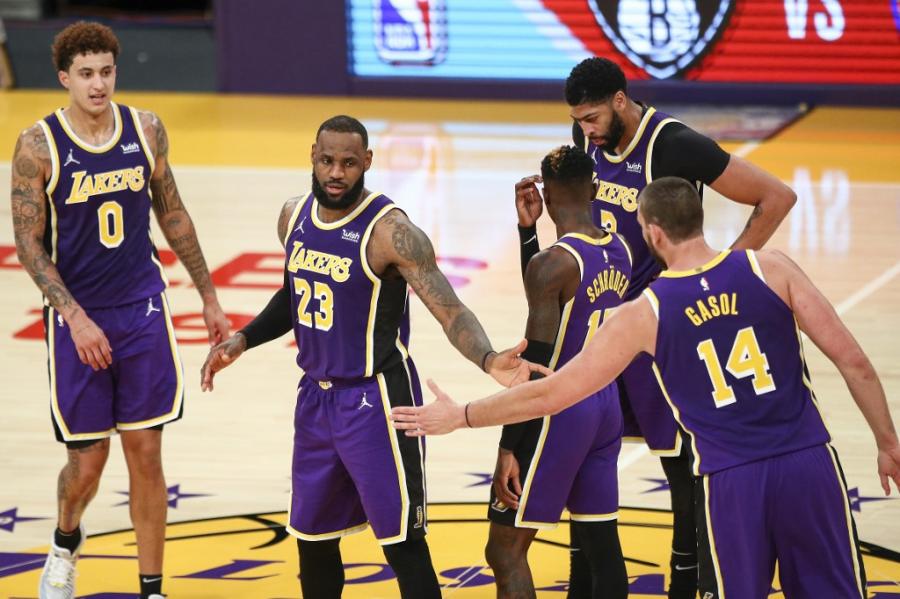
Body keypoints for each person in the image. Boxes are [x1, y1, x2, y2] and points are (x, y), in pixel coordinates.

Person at [393, 177, 900, 599]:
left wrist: (461, 416)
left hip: (731, 481)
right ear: (698, 219)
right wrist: (886, 442)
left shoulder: (645, 313)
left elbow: (552, 393)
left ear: (654, 234)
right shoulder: (773, 269)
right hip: (810, 462)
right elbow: (853, 361)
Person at [199, 115, 535, 599]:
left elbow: (449, 308)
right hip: (315, 401)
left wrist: (487, 359)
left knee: (403, 545)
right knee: (312, 542)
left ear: (368, 163)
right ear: (312, 155)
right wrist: (244, 339)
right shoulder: (292, 217)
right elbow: (296, 294)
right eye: (327, 160)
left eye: (349, 163)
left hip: (377, 401)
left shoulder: (391, 232)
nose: (337, 172)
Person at [514, 57, 797, 598]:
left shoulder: (673, 143)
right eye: (579, 120)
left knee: (684, 476)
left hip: (661, 332)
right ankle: (586, 584)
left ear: (621, 100)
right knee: (583, 463)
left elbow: (776, 197)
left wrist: (719, 275)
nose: (586, 130)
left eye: (594, 117)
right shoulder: (586, 136)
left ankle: (693, 585)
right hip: (602, 330)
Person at [10, 21, 229, 599]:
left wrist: (207, 294)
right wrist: (75, 318)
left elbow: (173, 214)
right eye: (85, 74)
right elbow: (29, 246)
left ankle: (152, 588)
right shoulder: (38, 144)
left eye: (106, 71)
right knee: (87, 464)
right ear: (64, 78)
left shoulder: (146, 128)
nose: (98, 83)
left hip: (142, 312)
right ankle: (64, 542)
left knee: (147, 452)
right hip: (79, 318)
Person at [487, 145, 629, 598]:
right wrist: (529, 235)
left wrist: (508, 446)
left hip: (558, 409)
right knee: (600, 544)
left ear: (545, 197)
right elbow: (549, 298)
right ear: (594, 188)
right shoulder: (619, 248)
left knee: (505, 551)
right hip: (604, 404)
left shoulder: (553, 265)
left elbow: (535, 362)